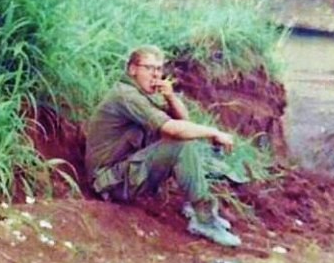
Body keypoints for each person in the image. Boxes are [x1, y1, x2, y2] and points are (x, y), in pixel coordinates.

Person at [85, 44, 241, 247]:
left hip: (125, 172)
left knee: (190, 140)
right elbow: (173, 130)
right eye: (149, 68)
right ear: (132, 69)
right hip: (110, 182)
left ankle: (197, 208)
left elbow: (184, 122)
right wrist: (213, 132)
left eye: (159, 69)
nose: (155, 75)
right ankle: (204, 220)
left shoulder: (141, 94)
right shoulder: (126, 96)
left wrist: (170, 96)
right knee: (180, 145)